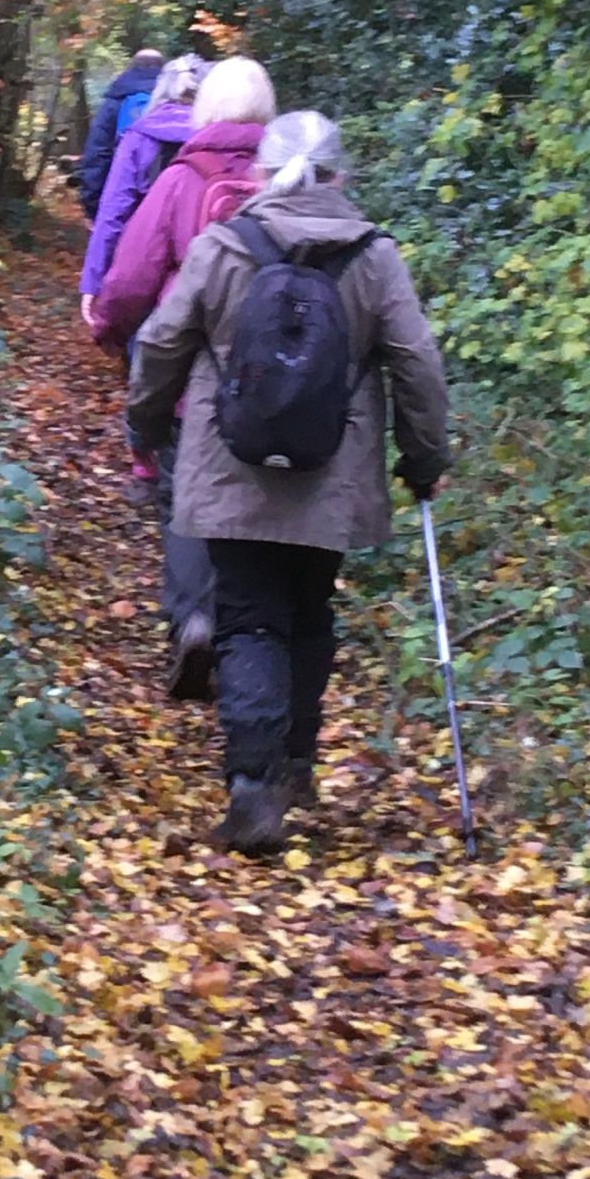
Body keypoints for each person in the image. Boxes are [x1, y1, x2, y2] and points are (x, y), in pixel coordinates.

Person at [127, 111, 450, 857]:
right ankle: (296, 763)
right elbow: (418, 364)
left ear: (261, 176)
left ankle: (252, 787)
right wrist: (423, 457)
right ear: (341, 176)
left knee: (247, 619)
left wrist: (146, 422)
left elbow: (164, 338)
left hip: (231, 468)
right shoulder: (374, 257)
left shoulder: (224, 246)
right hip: (329, 475)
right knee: (308, 612)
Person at [90, 57, 278, 697]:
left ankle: (193, 617)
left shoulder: (182, 178)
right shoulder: (287, 180)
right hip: (274, 382)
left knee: (185, 498)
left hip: (194, 379)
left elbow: (133, 273)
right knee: (255, 502)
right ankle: (245, 635)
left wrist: (111, 329)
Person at [79, 53, 207, 313]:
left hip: (142, 254)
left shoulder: (137, 132)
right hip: (203, 263)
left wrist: (93, 282)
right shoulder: (218, 136)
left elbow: (112, 209)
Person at [77, 48, 165, 219]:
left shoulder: (115, 101)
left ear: (132, 66)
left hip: (121, 194)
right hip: (161, 196)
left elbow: (97, 153)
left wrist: (93, 204)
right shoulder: (173, 102)